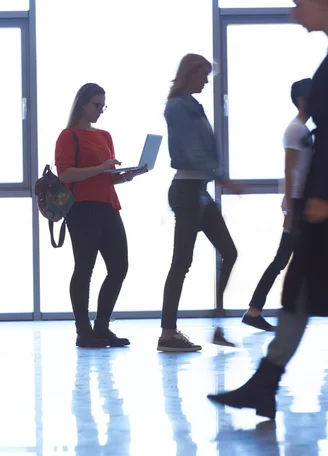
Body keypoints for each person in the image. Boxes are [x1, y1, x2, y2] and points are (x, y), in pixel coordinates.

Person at [208, 0, 328, 420]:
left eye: (299, 5)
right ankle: (263, 385)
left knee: (297, 287)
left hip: (320, 205)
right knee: (296, 290)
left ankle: (263, 385)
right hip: (314, 205)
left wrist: (319, 195)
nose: (294, 14)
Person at [157, 54, 242, 353]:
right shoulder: (180, 107)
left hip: (199, 191)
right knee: (181, 262)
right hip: (187, 190)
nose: (206, 80)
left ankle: (216, 325)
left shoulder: (191, 105)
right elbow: (193, 151)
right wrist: (223, 177)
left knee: (229, 253)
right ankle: (168, 333)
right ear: (190, 73)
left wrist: (217, 177)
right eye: (203, 74)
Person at [55, 83, 147, 348]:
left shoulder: (105, 136)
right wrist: (99, 168)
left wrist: (126, 176)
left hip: (108, 206)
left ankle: (102, 326)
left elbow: (105, 178)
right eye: (97, 105)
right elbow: (65, 175)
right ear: (83, 104)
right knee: (84, 269)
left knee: (119, 267)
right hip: (82, 209)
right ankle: (83, 331)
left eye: (103, 106)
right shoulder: (68, 136)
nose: (100, 111)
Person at [242, 79, 313, 332]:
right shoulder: (296, 130)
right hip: (298, 206)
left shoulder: (301, 130)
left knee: (282, 260)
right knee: (281, 260)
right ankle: (255, 310)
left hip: (299, 204)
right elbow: (290, 170)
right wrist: (292, 209)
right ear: (303, 100)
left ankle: (254, 310)